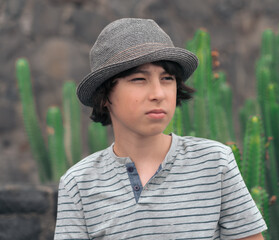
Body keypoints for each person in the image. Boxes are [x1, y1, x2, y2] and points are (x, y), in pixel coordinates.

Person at [54, 18, 267, 240]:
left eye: (167, 78)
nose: (158, 93)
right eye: (139, 79)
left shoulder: (215, 162)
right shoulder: (79, 183)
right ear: (105, 96)